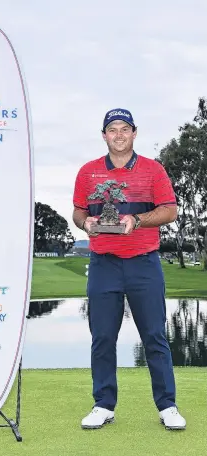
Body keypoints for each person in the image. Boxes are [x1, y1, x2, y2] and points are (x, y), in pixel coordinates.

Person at [72, 108, 186, 431]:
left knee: (155, 336)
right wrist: (87, 223)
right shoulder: (88, 173)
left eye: (125, 129)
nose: (118, 135)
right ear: (104, 135)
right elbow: (78, 212)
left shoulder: (153, 171)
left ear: (134, 133)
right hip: (103, 264)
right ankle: (103, 404)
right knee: (103, 337)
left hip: (144, 264)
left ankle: (168, 406)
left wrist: (137, 220)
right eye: (112, 129)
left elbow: (170, 210)